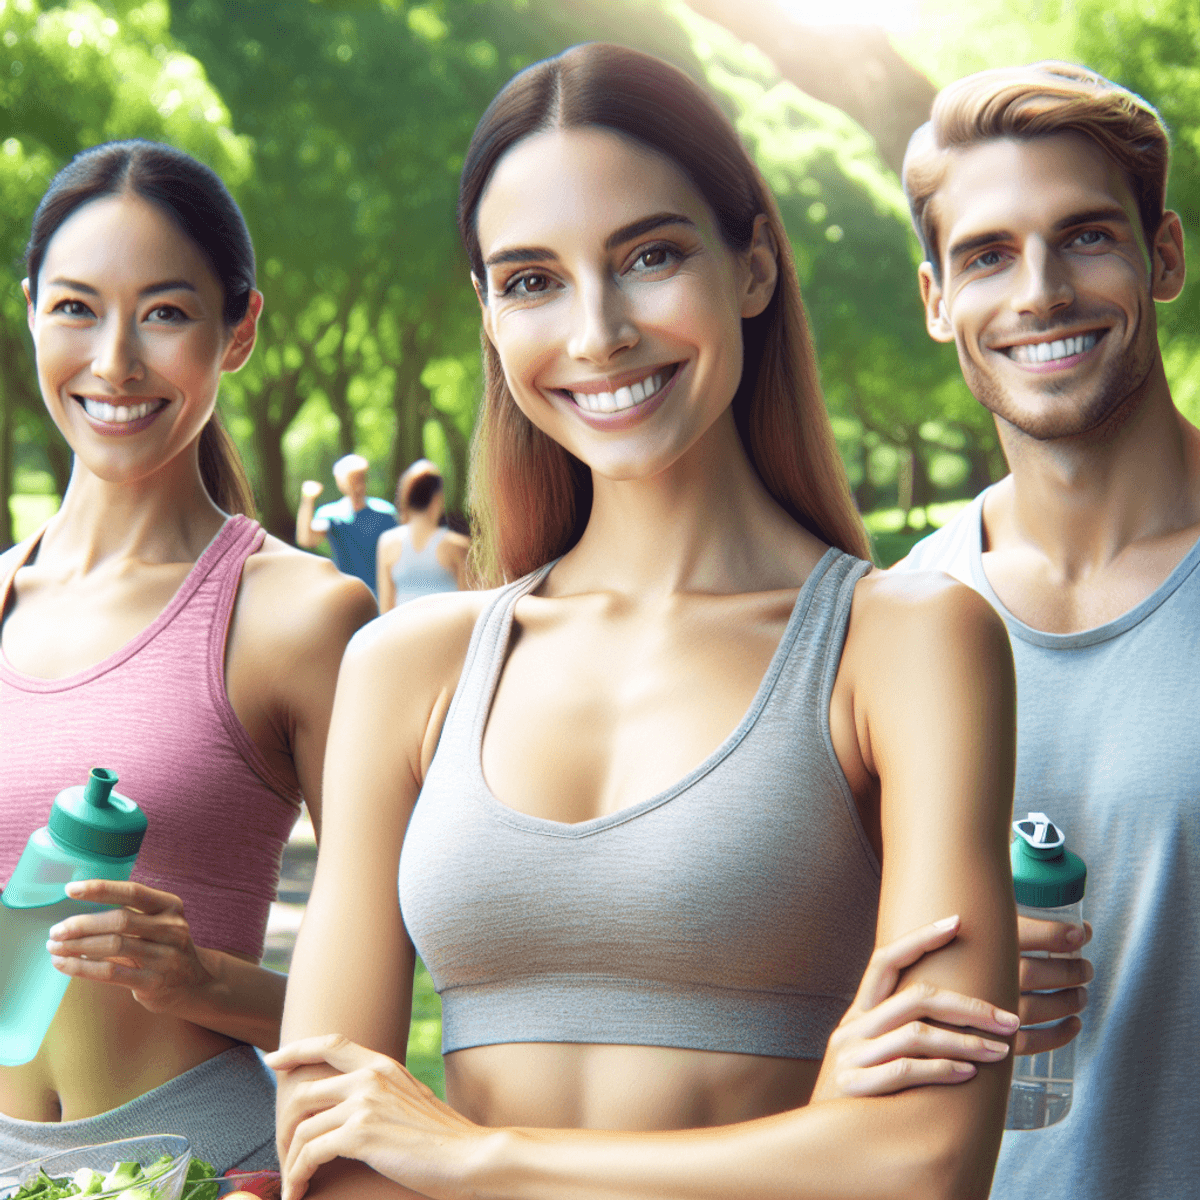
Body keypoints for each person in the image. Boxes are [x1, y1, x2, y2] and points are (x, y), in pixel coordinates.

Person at [269, 44, 1024, 1200]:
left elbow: (923, 1162)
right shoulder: (406, 667)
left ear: (755, 265)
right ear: (486, 312)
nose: (597, 331)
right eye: (531, 280)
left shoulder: (910, 643)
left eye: (650, 256)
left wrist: (475, 1158)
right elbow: (330, 1144)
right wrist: (813, 1136)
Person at [0, 141, 376, 1173]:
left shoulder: (301, 616)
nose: (115, 360)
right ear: (32, 308)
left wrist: (198, 978)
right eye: (76, 307)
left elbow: (383, 1017)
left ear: (240, 330)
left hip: (201, 1168)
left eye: (165, 312)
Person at [890, 63, 1200, 1200]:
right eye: (987, 255)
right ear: (935, 300)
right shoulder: (890, 622)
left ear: (1162, 257)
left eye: (1085, 238)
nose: (1040, 292)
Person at [375, 460, 470, 612]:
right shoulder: (457, 546)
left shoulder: (387, 543)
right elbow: (471, 606)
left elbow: (385, 608)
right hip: (448, 633)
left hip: (403, 634)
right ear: (437, 498)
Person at [296, 455, 397, 595]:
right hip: (349, 594)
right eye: (352, 481)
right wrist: (307, 501)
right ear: (340, 483)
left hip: (384, 591)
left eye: (360, 479)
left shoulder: (386, 513)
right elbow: (306, 540)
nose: (357, 486)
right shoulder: (330, 515)